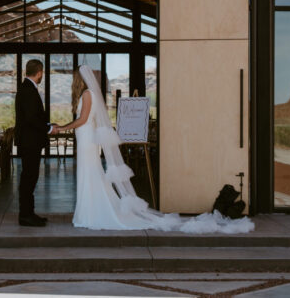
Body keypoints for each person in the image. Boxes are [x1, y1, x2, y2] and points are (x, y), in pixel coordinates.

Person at [57, 64, 255, 233]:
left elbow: (82, 120)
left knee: (90, 175)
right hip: (85, 139)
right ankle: (89, 211)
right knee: (89, 175)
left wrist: (61, 128)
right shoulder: (89, 93)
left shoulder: (88, 94)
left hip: (86, 141)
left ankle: (92, 213)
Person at [14, 58, 60, 227]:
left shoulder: (26, 88)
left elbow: (32, 117)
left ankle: (29, 213)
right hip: (30, 142)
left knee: (30, 177)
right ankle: (25, 215)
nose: (42, 76)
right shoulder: (28, 90)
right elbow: (31, 118)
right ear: (39, 72)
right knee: (29, 177)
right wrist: (48, 130)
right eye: (42, 73)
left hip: (30, 141)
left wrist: (48, 125)